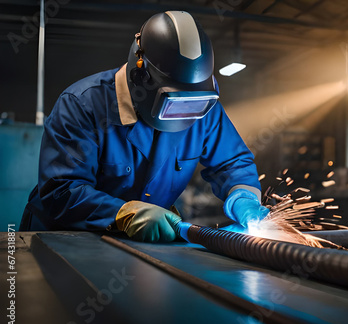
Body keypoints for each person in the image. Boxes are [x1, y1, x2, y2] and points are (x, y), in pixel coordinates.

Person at [20, 11, 269, 242]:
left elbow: (233, 163)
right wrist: (122, 213)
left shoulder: (204, 105)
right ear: (141, 75)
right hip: (65, 238)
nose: (185, 113)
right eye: (173, 102)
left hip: (140, 244)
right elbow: (61, 191)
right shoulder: (83, 104)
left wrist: (242, 196)